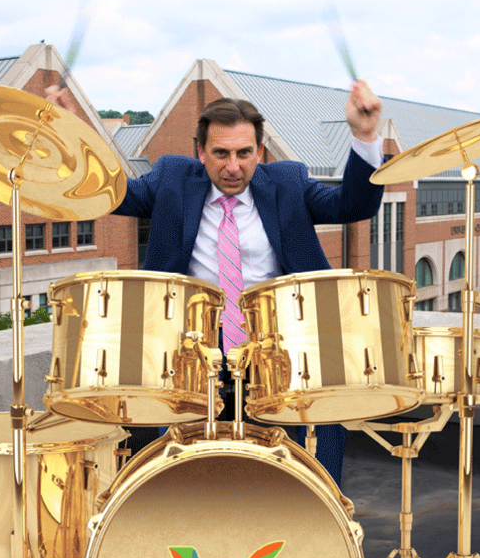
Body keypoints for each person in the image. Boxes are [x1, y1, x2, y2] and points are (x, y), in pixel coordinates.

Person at [44, 80, 385, 487]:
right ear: (201, 153)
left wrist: (365, 137)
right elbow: (108, 192)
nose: (233, 166)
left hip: (280, 359)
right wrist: (70, 132)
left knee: (312, 457)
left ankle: (325, 526)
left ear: (259, 152)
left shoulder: (289, 184)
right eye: (220, 153)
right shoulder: (171, 180)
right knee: (194, 482)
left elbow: (353, 205)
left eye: (244, 153)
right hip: (193, 362)